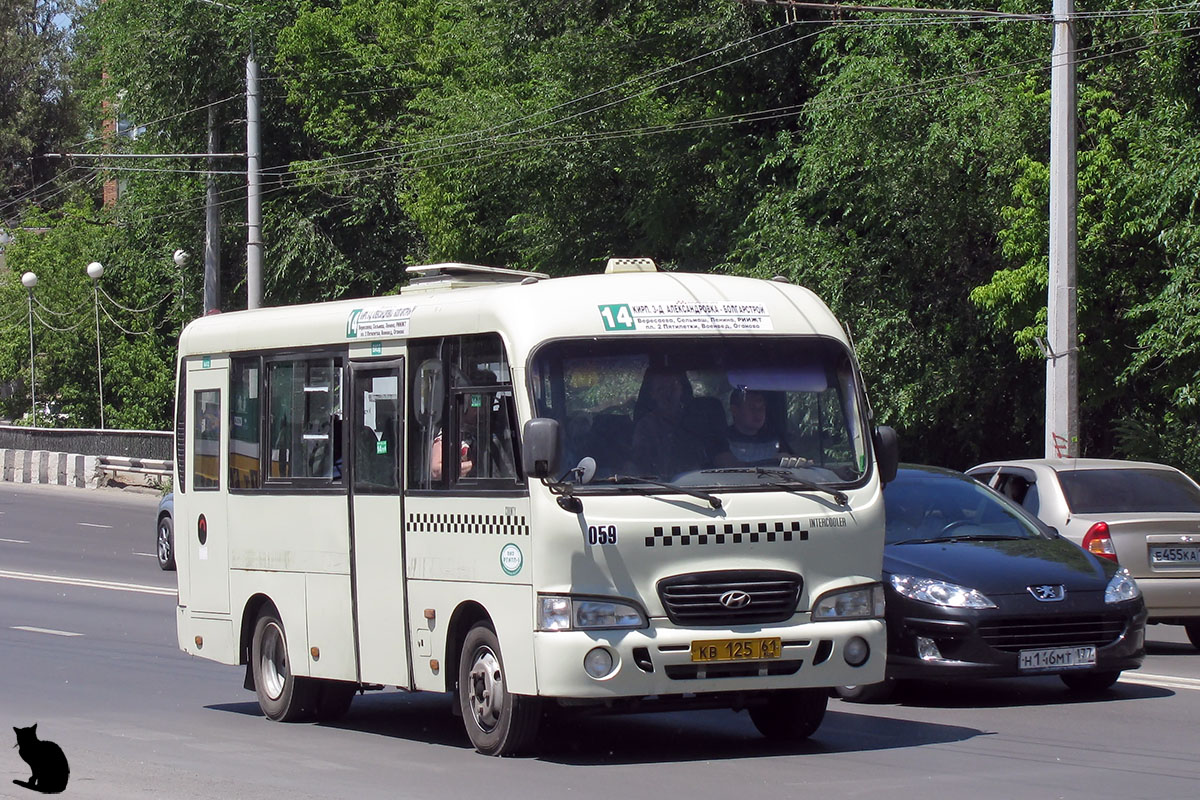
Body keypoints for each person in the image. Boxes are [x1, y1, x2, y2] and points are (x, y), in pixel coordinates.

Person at [726, 388, 789, 464]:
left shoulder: (774, 440)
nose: (758, 413)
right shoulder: (723, 441)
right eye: (752, 408)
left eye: (761, 408)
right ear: (735, 410)